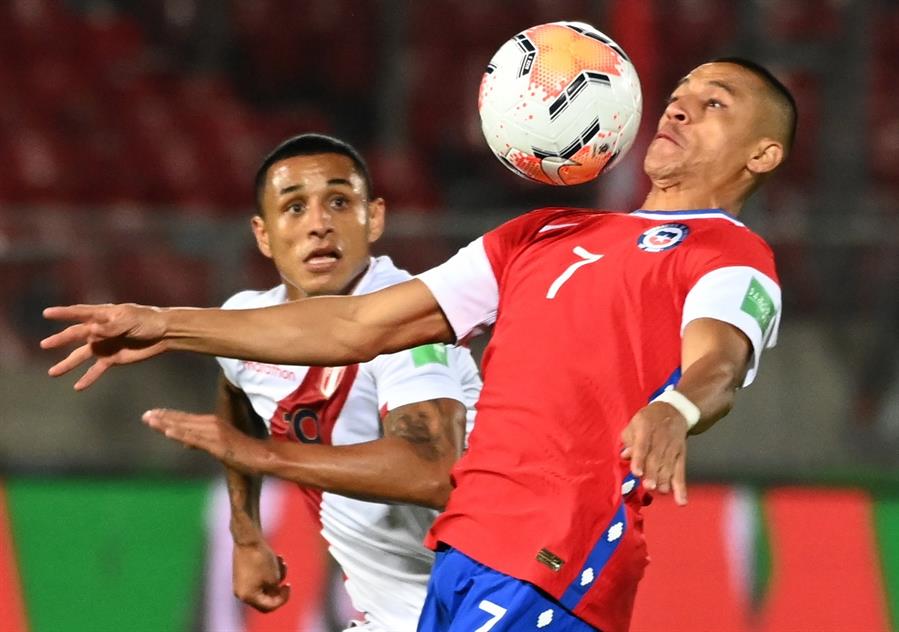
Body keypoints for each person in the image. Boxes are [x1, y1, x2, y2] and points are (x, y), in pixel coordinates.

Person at [43, 57, 795, 631]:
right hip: (463, 556)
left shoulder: (728, 256)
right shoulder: (543, 233)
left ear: (760, 155)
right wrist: (165, 322)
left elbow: (718, 361)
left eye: (713, 105)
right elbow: (353, 324)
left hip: (554, 556)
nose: (679, 109)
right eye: (679, 98)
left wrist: (675, 410)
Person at [133, 133, 483, 632]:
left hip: (492, 600)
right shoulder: (249, 322)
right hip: (400, 616)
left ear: (375, 218)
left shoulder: (413, 322)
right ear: (263, 233)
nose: (319, 224)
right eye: (294, 207)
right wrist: (246, 531)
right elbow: (237, 385)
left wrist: (260, 455)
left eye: (339, 202)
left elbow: (434, 470)